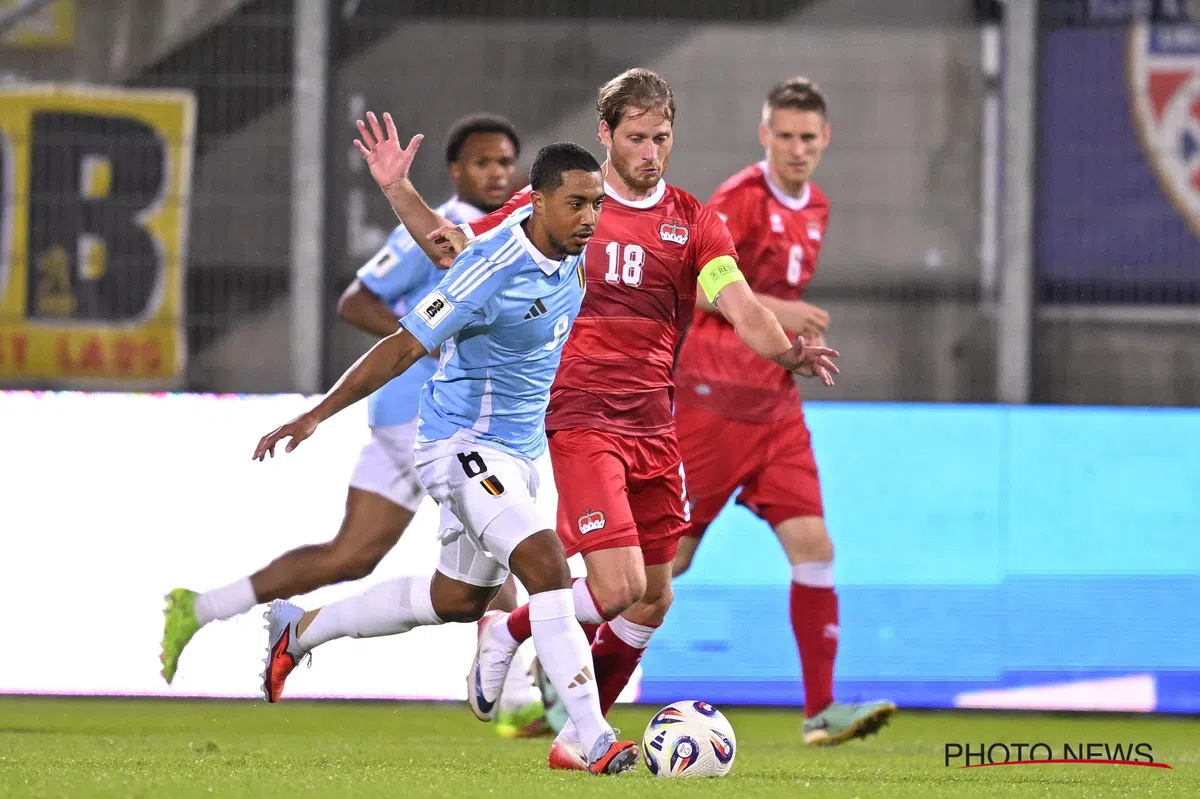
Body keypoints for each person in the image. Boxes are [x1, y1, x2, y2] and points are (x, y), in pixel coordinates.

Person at [362, 68, 840, 770]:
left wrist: (786, 349)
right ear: (607, 135)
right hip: (580, 414)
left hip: (655, 421)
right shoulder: (561, 204)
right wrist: (398, 188)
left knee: (653, 598)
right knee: (615, 588)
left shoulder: (691, 220)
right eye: (637, 138)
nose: (651, 152)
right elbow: (451, 249)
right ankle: (510, 634)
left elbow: (738, 304)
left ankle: (570, 733)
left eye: (663, 138)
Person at [253, 139, 638, 775]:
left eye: (597, 205)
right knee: (544, 563)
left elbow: (445, 236)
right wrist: (317, 414)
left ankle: (299, 629)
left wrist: (399, 190)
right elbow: (404, 345)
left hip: (517, 454)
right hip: (460, 448)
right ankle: (588, 736)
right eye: (576, 205)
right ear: (537, 202)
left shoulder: (571, 248)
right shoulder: (493, 267)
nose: (590, 218)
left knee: (457, 598)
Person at [160, 113, 551, 738]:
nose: (497, 173)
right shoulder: (447, 226)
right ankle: (517, 700)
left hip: (417, 417)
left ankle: (203, 608)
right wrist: (429, 339)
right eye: (483, 163)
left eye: (506, 162)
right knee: (498, 536)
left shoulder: (516, 231)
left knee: (353, 555)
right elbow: (357, 301)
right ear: (456, 171)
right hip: (422, 417)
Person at [672, 77, 895, 746]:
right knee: (665, 564)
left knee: (815, 548)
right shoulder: (738, 200)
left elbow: (772, 306)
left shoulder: (817, 205)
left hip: (775, 406)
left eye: (809, 138)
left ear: (825, 139)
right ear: (764, 135)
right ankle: (552, 653)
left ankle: (820, 710)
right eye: (785, 136)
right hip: (711, 404)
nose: (798, 149)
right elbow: (692, 280)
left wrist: (793, 339)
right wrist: (780, 309)